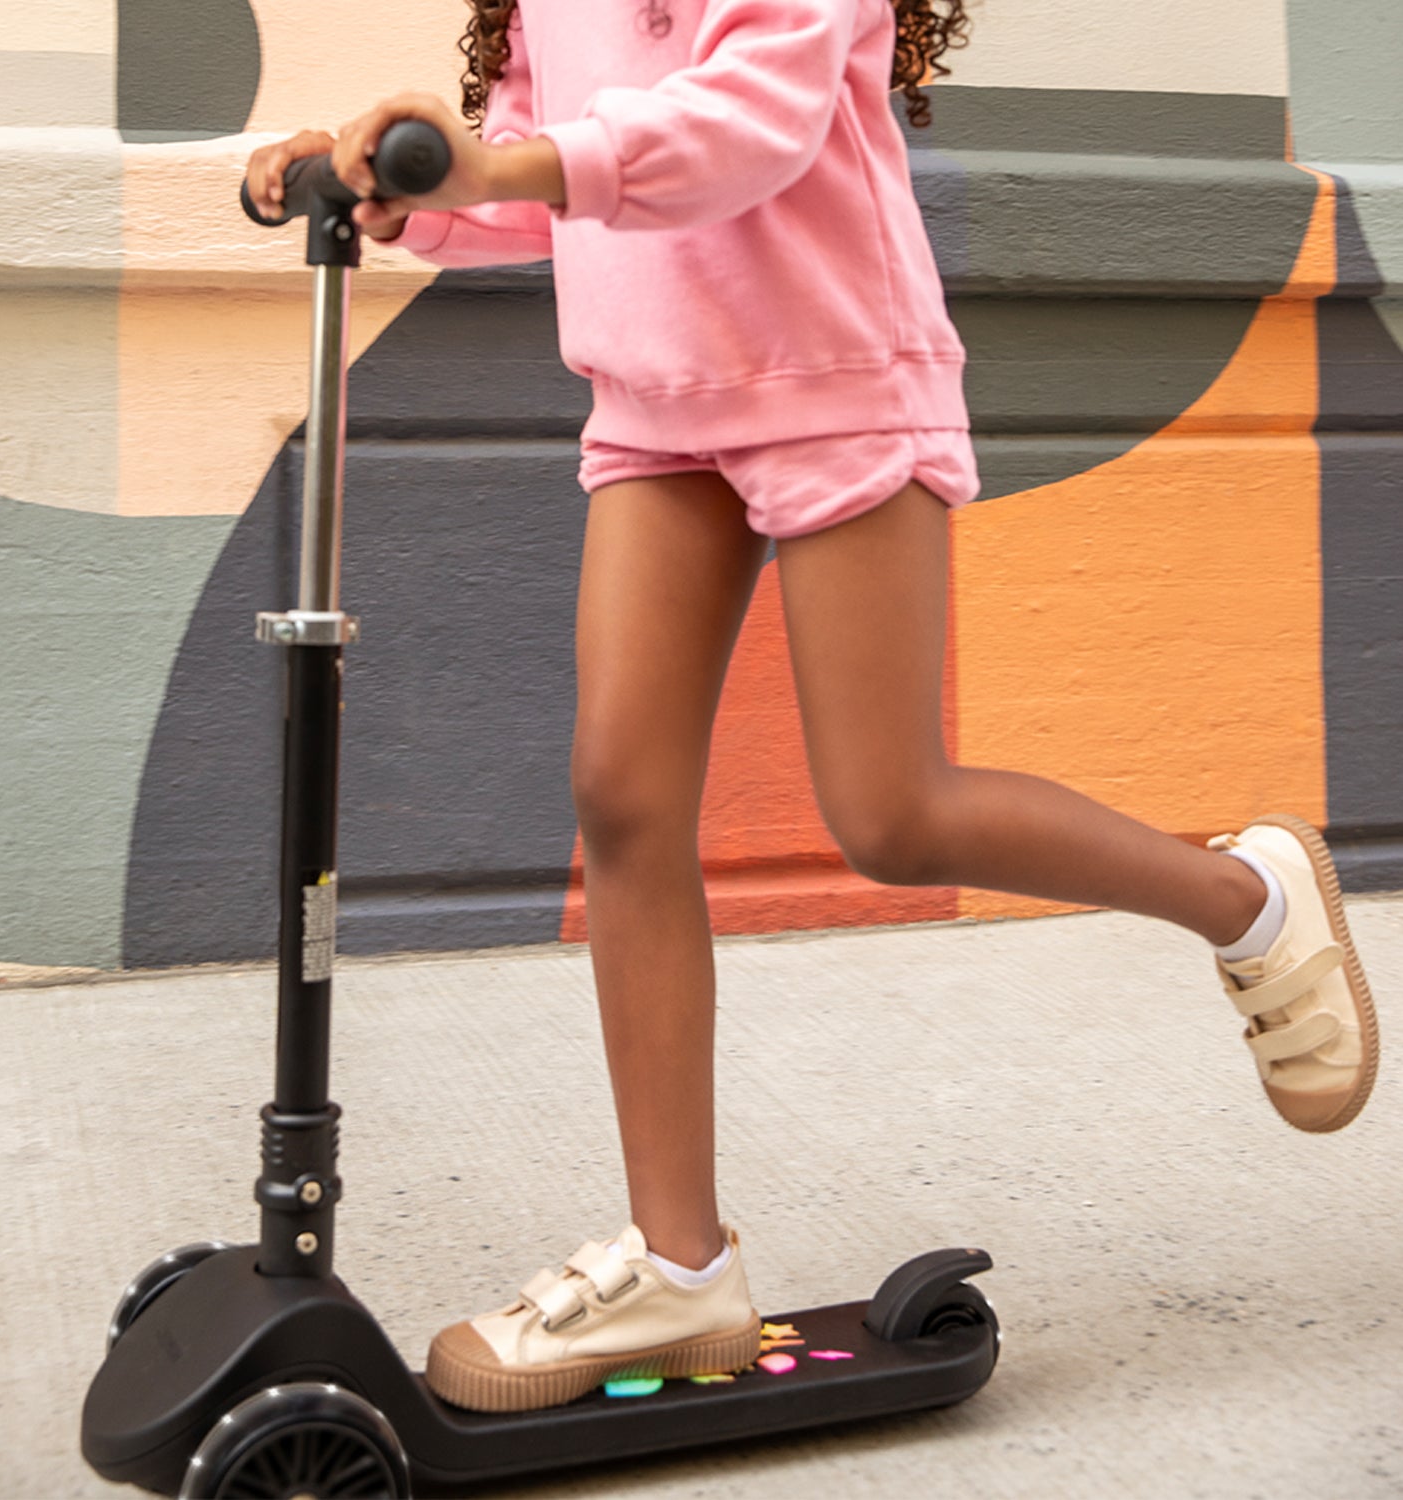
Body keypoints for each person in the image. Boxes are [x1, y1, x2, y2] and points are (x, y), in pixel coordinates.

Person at [245, 0, 1380, 1415]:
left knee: (892, 812)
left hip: (835, 381)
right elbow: (554, 165)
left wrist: (504, 173)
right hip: (658, 403)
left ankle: (1244, 901)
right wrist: (409, 194)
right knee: (624, 795)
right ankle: (681, 1266)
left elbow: (745, 126)